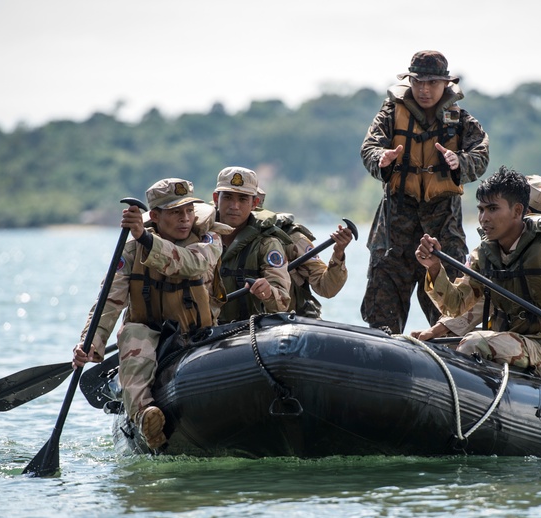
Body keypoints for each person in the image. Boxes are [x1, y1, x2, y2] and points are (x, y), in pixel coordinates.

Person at [73, 178, 228, 451]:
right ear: (155, 217)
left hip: (197, 333)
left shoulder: (209, 239)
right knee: (132, 334)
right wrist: (90, 344)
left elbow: (192, 265)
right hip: (148, 330)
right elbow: (110, 300)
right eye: (175, 213)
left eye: (189, 211)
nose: (185, 219)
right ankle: (146, 416)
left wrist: (144, 237)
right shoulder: (131, 249)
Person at [415, 167, 541, 380]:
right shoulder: (485, 254)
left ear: (517, 211)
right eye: (481, 209)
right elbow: (456, 305)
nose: (483, 218)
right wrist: (433, 268)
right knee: (441, 348)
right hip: (509, 342)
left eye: (493, 209)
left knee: (474, 343)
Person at [360, 50, 490, 333]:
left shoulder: (462, 120)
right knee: (382, 313)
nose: (424, 89)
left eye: (432, 83)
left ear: (445, 83)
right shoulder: (391, 114)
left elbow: (481, 155)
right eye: (418, 82)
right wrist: (381, 160)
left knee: (451, 312)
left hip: (443, 225)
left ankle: (450, 359)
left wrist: (461, 162)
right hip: (395, 226)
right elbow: (369, 148)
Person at [254, 187, 353, 318]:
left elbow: (326, 287)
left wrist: (338, 253)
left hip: (285, 323)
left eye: (243, 200)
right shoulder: (219, 237)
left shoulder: (291, 239)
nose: (235, 207)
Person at [211, 167, 293, 324]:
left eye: (242, 199)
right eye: (228, 197)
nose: (234, 206)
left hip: (247, 333)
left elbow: (282, 303)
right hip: (201, 334)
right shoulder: (197, 236)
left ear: (254, 203)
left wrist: (268, 292)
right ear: (216, 198)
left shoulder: (266, 244)